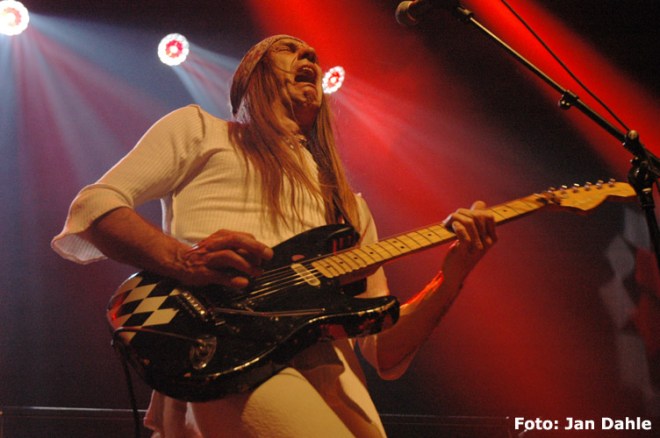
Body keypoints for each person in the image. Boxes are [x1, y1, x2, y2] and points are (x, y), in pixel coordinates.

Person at [52, 35, 497, 437]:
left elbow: (383, 351)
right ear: (252, 75)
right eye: (289, 49)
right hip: (224, 348)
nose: (310, 55)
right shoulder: (201, 131)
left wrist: (452, 275)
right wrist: (183, 260)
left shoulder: (348, 207)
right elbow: (93, 207)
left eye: (313, 55)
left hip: (334, 383)